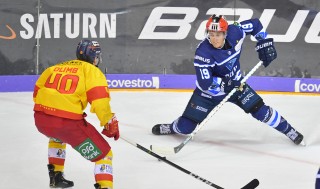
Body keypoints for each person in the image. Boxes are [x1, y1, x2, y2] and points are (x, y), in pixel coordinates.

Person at [152, 14, 304, 145]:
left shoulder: (235, 31)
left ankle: (289, 130)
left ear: (225, 33)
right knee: (186, 127)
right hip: (209, 93)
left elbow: (256, 24)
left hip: (237, 86)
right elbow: (206, 82)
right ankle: (171, 127)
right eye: (211, 34)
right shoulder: (203, 52)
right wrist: (226, 84)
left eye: (218, 35)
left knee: (261, 112)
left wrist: (263, 41)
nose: (214, 38)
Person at [33, 39, 119, 189]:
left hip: (41, 119)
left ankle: (56, 177)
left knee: (57, 137)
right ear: (93, 57)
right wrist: (109, 121)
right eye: (97, 56)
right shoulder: (92, 71)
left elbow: (37, 93)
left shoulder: (56, 67)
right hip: (66, 124)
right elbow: (100, 102)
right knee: (104, 155)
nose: (98, 59)